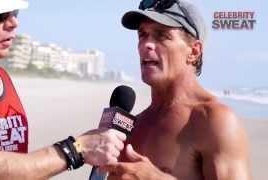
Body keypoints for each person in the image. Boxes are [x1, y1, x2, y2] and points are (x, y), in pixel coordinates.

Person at [0, 0, 126, 179]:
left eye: (14, 13)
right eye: (0, 16)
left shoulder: (1, 76)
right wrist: (76, 149)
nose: (13, 23)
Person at [102, 0, 252, 179]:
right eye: (142, 35)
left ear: (194, 52)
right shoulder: (133, 123)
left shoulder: (214, 121)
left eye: (161, 35)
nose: (146, 45)